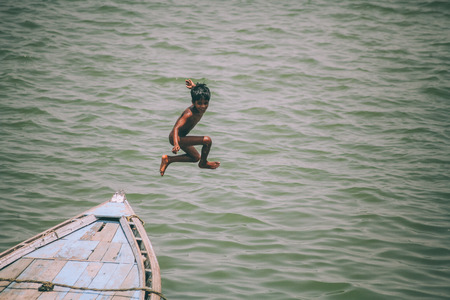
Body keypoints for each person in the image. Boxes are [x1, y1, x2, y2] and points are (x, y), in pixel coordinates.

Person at [160, 79, 220, 176]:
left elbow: (199, 95)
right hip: (177, 138)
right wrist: (176, 144)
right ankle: (203, 163)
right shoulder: (189, 113)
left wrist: (194, 87)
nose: (203, 106)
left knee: (195, 157)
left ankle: (168, 159)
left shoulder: (199, 106)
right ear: (193, 102)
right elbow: (176, 128)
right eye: (199, 103)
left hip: (182, 137)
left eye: (206, 103)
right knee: (207, 140)